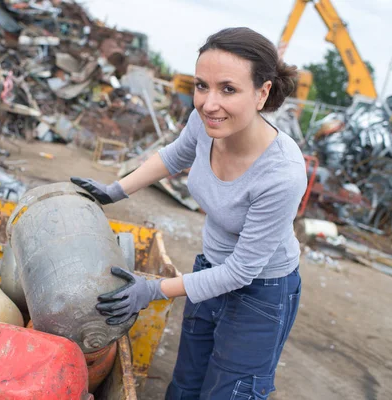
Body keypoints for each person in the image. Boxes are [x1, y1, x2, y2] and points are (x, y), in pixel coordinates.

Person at [72, 27, 307, 399]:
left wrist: (153, 289)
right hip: (209, 270)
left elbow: (242, 271)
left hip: (261, 291)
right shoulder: (206, 122)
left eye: (228, 89)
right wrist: (115, 190)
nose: (209, 103)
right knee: (186, 383)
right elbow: (174, 155)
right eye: (202, 86)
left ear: (262, 93)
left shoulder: (282, 173)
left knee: (230, 392)